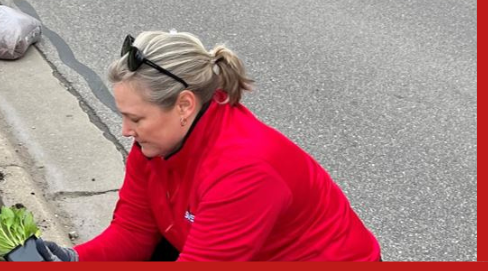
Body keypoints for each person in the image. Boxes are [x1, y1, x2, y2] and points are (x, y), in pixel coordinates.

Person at [31, 30, 382, 262]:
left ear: (184, 105)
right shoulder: (155, 144)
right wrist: (74, 260)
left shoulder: (245, 170)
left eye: (136, 119)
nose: (125, 130)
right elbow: (134, 232)